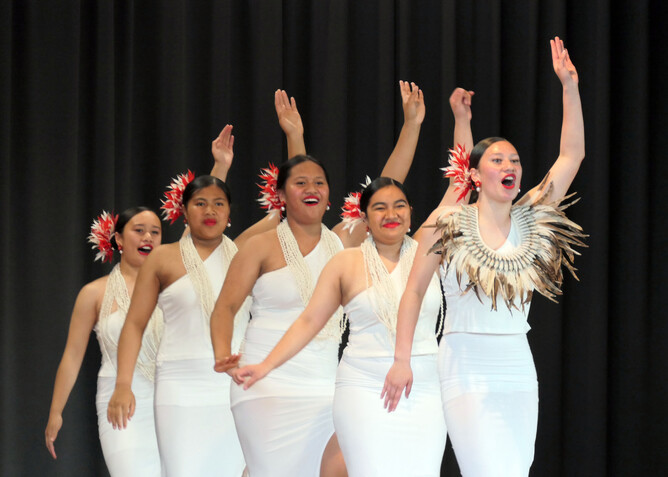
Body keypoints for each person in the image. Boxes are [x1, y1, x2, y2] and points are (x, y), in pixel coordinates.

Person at [382, 37, 587, 476]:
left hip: (518, 363)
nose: (509, 165)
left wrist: (569, 86)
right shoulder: (447, 222)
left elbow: (572, 155)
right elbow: (414, 291)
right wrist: (401, 359)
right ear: (474, 175)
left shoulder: (531, 216)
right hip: (465, 363)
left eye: (514, 159)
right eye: (497, 160)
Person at [210, 81, 426, 477]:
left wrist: (411, 126)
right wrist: (223, 352)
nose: (311, 189)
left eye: (319, 184)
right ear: (281, 194)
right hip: (267, 382)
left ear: (329, 196)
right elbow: (224, 307)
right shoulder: (259, 246)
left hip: (328, 384)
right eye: (300, 184)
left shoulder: (343, 240)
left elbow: (386, 186)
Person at [234, 177, 452, 476]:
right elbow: (309, 321)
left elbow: (458, 195)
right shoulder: (345, 263)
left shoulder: (431, 255)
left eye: (399, 206)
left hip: (424, 388)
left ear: (411, 212)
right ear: (364, 218)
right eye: (380, 208)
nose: (391, 214)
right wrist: (266, 365)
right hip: (365, 388)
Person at [106, 125, 267, 476]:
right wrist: (123, 384)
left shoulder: (244, 255)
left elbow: (292, 210)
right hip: (179, 389)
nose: (210, 211)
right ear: (184, 210)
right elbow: (134, 325)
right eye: (200, 204)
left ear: (229, 213)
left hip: (235, 386)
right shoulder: (163, 258)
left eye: (219, 204)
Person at [45, 207, 163, 477]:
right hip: (120, 404)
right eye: (139, 230)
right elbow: (72, 356)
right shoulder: (94, 293)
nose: (148, 237)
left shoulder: (172, 288)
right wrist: (56, 412)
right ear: (118, 239)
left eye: (155, 232)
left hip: (169, 398)